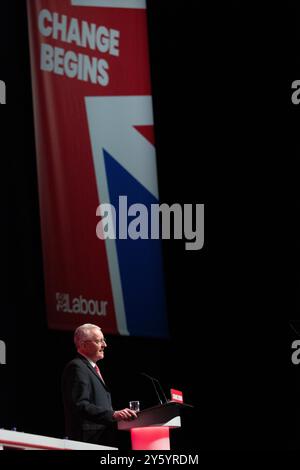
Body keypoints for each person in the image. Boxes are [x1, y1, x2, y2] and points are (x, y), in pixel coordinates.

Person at [62, 323, 137, 446]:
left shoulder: (91, 368)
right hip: (87, 441)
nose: (104, 345)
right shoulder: (77, 367)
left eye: (104, 340)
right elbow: (80, 405)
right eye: (99, 341)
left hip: (101, 439)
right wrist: (113, 414)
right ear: (83, 345)